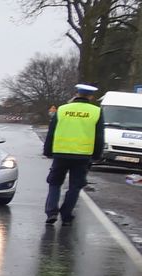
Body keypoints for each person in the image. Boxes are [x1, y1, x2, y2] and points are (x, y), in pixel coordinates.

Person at [42, 83, 105, 226]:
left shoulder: (63, 109)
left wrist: (47, 150)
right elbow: (99, 136)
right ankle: (66, 215)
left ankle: (51, 212)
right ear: (91, 96)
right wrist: (96, 155)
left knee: (54, 183)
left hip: (61, 153)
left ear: (76, 94)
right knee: (75, 186)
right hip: (82, 155)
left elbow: (51, 131)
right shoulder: (96, 111)